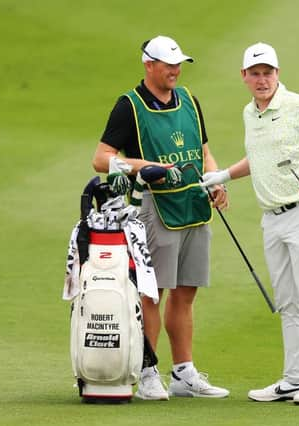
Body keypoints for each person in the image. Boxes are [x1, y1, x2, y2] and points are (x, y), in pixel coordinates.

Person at [200, 42, 299, 405]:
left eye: (268, 73)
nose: (262, 80)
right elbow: (258, 157)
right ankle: (294, 379)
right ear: (244, 77)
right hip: (274, 220)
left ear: (278, 74)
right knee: (288, 302)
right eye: (255, 74)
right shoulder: (251, 113)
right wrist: (222, 175)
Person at [92, 35, 229, 400]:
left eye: (178, 64)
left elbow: (203, 151)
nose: (175, 70)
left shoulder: (189, 100)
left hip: (194, 208)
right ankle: (148, 371)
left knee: (186, 293)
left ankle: (183, 373)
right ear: (148, 65)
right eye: (168, 65)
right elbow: (101, 158)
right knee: (152, 293)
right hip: (155, 209)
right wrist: (145, 166)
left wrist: (215, 181)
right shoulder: (130, 106)